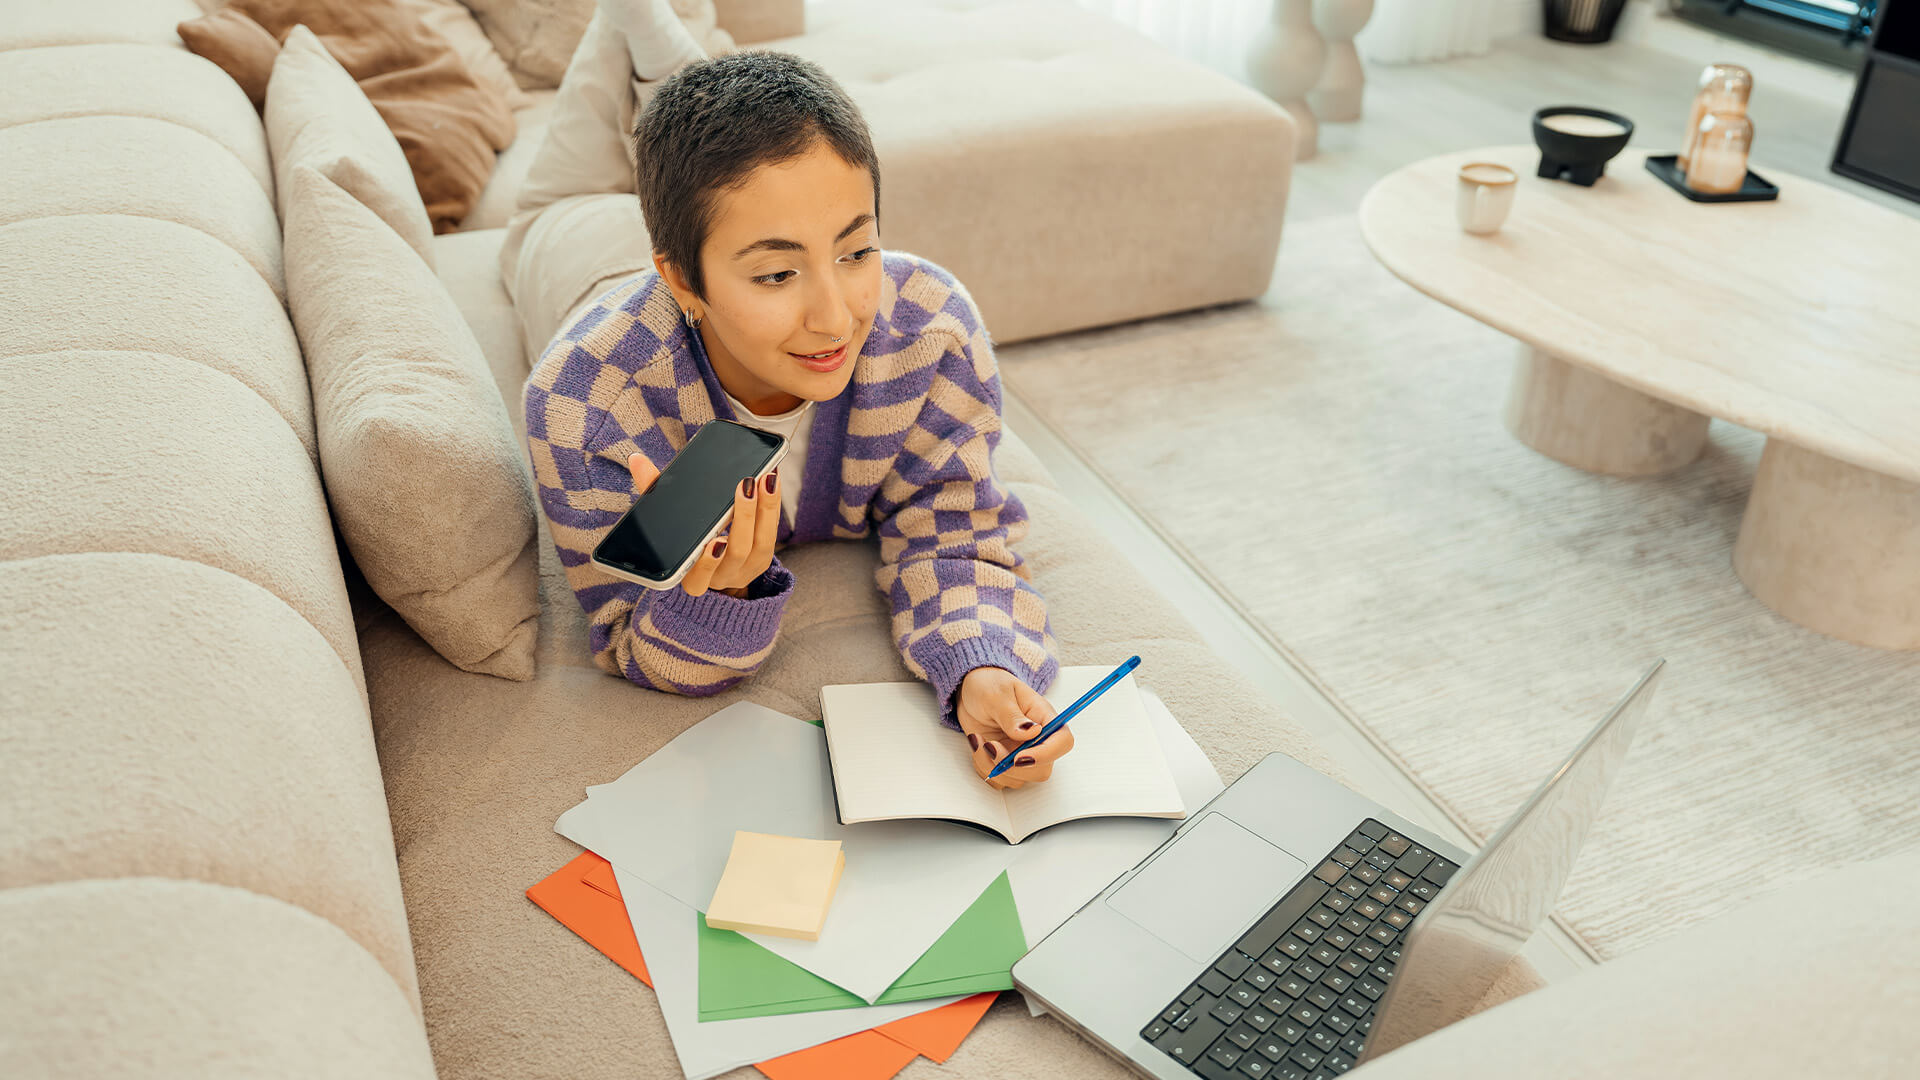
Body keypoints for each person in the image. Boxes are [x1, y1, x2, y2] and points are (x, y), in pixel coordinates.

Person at [509, 0, 1073, 789]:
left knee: (739, 171)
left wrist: (982, 666)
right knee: (559, 199)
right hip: (574, 256)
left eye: (857, 251)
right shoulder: (583, 404)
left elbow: (953, 529)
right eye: (777, 274)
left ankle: (664, 58)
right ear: (680, 280)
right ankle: (632, 27)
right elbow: (625, 633)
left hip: (698, 241)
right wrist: (723, 599)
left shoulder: (932, 327)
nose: (835, 318)